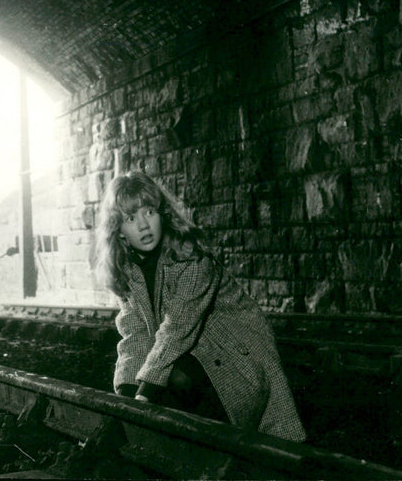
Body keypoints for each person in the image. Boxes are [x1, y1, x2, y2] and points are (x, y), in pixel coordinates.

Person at [95, 171, 306, 442]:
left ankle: (214, 448)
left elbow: (177, 329)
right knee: (156, 391)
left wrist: (145, 391)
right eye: (130, 218)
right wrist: (126, 394)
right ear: (119, 232)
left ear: (163, 214)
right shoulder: (128, 269)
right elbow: (135, 332)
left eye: (149, 212)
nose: (143, 226)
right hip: (193, 350)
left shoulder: (190, 256)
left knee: (173, 379)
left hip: (236, 352)